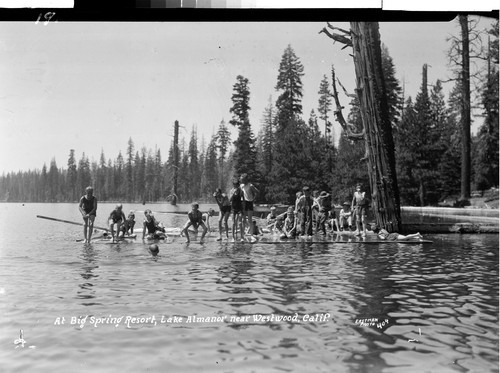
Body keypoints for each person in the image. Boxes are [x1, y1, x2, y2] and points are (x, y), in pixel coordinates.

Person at [240, 173, 259, 242]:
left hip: (249, 202)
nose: (241, 180)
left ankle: (251, 235)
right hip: (243, 203)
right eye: (241, 179)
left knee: (250, 220)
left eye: (242, 179)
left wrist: (253, 199)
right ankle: (243, 235)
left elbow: (257, 192)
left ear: (245, 179)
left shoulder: (250, 185)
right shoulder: (241, 186)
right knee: (243, 220)